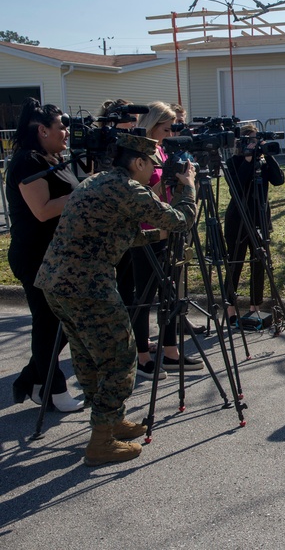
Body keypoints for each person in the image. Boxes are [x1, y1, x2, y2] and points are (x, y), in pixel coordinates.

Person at [35, 133, 198, 466]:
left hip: (56, 282)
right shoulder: (127, 189)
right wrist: (187, 186)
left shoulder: (96, 182)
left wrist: (156, 234)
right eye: (153, 164)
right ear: (137, 162)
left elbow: (119, 232)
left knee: (87, 355)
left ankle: (109, 421)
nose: (155, 170)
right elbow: (181, 220)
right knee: (120, 360)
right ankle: (100, 442)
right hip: (88, 286)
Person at [6, 99, 84, 413]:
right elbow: (42, 211)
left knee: (68, 319)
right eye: (61, 126)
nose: (66, 132)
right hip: (36, 256)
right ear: (42, 130)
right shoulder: (28, 161)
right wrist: (82, 192)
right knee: (48, 322)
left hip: (60, 254)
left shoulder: (51, 157)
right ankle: (53, 390)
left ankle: (31, 378)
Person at [129, 101, 203, 377]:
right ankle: (142, 355)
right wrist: (171, 181)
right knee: (145, 295)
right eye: (167, 128)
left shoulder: (162, 150)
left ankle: (171, 352)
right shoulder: (139, 153)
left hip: (169, 226)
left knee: (170, 293)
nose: (172, 133)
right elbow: (140, 195)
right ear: (153, 125)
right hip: (146, 232)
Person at [223, 123, 285, 327]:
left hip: (260, 218)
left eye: (256, 139)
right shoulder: (232, 162)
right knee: (235, 263)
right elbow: (238, 188)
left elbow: (279, 181)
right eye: (249, 140)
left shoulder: (263, 163)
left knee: (260, 262)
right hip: (238, 220)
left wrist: (268, 155)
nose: (253, 144)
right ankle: (230, 308)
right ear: (240, 144)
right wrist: (248, 160)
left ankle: (254, 307)